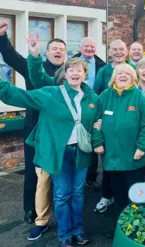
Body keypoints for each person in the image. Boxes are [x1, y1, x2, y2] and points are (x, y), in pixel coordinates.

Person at [13, 36, 98, 247]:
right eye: (71, 70)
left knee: (77, 194)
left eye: (79, 70)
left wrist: (100, 126)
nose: (75, 73)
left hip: (81, 153)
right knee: (61, 195)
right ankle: (65, 235)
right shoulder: (53, 94)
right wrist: (34, 55)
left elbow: (100, 119)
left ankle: (78, 231)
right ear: (65, 74)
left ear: (85, 75)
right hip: (59, 153)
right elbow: (22, 93)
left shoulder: (93, 99)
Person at [0, 20, 64, 234]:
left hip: (59, 130)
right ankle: (31, 209)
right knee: (33, 170)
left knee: (60, 170)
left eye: (62, 49)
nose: (58, 52)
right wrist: (2, 38)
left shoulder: (71, 72)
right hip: (35, 127)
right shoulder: (33, 66)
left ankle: (56, 207)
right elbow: (10, 57)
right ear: (47, 52)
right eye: (54, 48)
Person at [92, 64, 145, 236]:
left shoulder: (139, 96)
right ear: (113, 77)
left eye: (127, 73)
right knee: (118, 195)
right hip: (111, 158)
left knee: (134, 195)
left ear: (133, 78)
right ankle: (121, 227)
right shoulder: (105, 96)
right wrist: (97, 142)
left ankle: (136, 227)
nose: (123, 75)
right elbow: (95, 122)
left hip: (133, 157)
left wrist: (142, 147)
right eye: (119, 73)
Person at [92, 39, 132, 214]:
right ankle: (107, 195)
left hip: (128, 121)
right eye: (114, 49)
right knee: (108, 164)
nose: (118, 52)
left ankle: (127, 200)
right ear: (109, 52)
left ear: (126, 51)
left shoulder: (133, 68)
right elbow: (96, 94)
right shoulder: (104, 71)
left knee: (128, 165)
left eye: (121, 49)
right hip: (109, 123)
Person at [72, 37, 106, 192]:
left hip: (94, 106)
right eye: (86, 46)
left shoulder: (101, 65)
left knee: (91, 141)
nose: (89, 49)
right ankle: (76, 175)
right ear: (81, 47)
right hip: (75, 106)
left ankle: (90, 178)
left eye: (92, 47)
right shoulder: (71, 63)